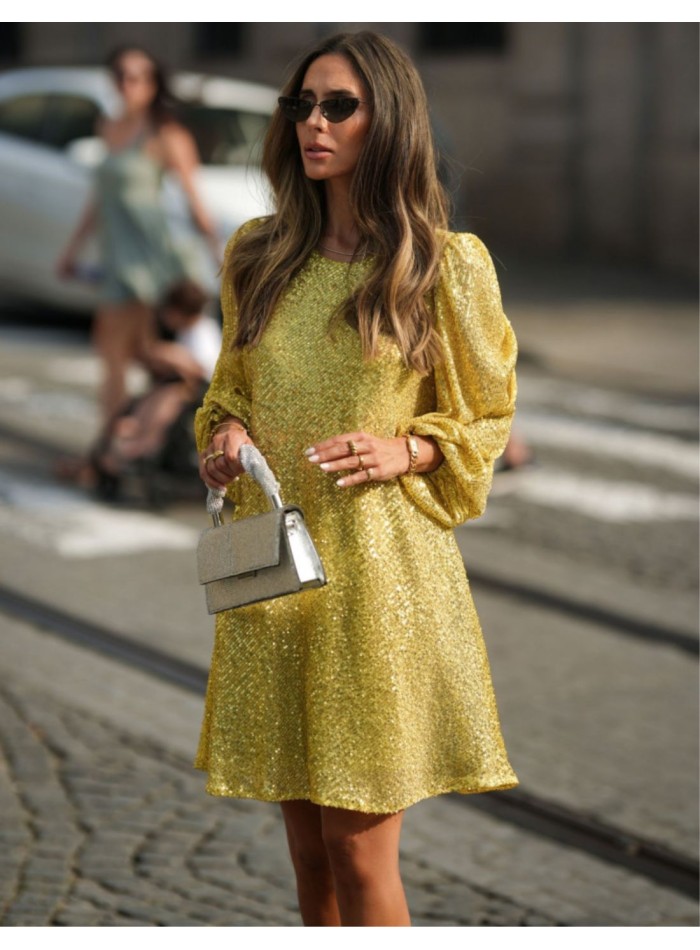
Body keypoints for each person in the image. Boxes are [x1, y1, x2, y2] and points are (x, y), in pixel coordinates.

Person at [195, 31, 519, 927]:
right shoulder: (260, 254)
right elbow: (229, 385)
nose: (315, 122)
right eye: (303, 104)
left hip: (379, 585)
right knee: (308, 855)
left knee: (359, 852)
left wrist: (405, 450)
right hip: (276, 580)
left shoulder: (442, 265)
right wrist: (221, 430)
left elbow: (487, 419)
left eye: (340, 105)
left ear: (391, 120)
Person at [55, 43, 220, 482]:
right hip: (116, 262)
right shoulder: (108, 126)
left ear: (152, 84)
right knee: (125, 357)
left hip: (152, 266)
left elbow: (194, 203)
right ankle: (116, 452)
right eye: (121, 76)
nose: (128, 86)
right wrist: (72, 251)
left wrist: (220, 258)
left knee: (124, 357)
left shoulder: (165, 135)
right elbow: (99, 199)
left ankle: (108, 457)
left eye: (138, 77)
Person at [92, 278, 221, 488]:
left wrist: (173, 356)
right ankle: (132, 438)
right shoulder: (189, 331)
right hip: (183, 386)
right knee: (155, 396)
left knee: (165, 399)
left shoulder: (202, 332)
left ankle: (141, 444)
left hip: (199, 390)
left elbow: (202, 370)